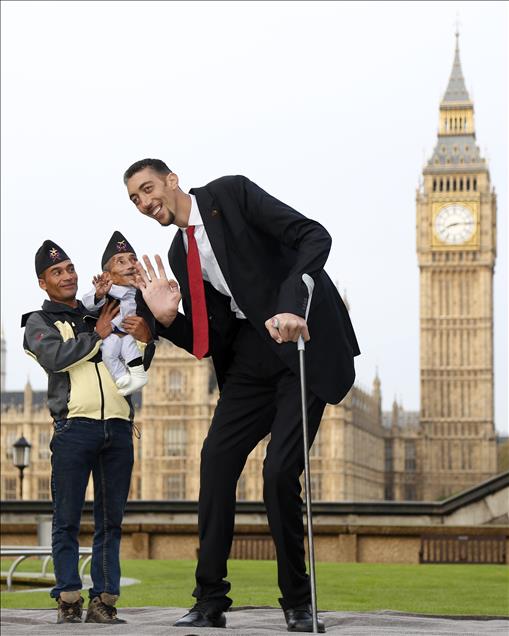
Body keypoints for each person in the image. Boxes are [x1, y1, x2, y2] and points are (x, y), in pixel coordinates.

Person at [124, 159, 360, 632]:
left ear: (172, 181)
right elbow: (212, 340)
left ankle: (297, 600)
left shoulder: (230, 196)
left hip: (299, 345)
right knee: (214, 464)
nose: (146, 203)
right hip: (249, 362)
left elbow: (314, 236)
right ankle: (210, 601)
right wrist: (168, 321)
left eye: (148, 189)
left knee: (278, 473)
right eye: (135, 200)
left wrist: (293, 305)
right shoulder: (178, 254)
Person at [22, 240, 153, 625]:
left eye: (70, 269)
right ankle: (67, 597)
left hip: (117, 426)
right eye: (57, 273)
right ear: (43, 283)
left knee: (111, 522)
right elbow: (54, 357)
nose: (67, 276)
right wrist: (96, 334)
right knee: (66, 520)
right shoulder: (40, 322)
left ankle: (105, 601)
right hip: (74, 428)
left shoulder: (102, 307)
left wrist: (145, 336)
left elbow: (135, 360)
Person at [82, 231, 152, 396]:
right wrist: (99, 294)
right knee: (109, 353)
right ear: (107, 275)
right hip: (111, 335)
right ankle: (121, 377)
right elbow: (88, 305)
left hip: (129, 336)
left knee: (131, 352)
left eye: (133, 260)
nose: (129, 265)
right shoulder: (105, 292)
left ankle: (138, 376)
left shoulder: (144, 294)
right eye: (121, 262)